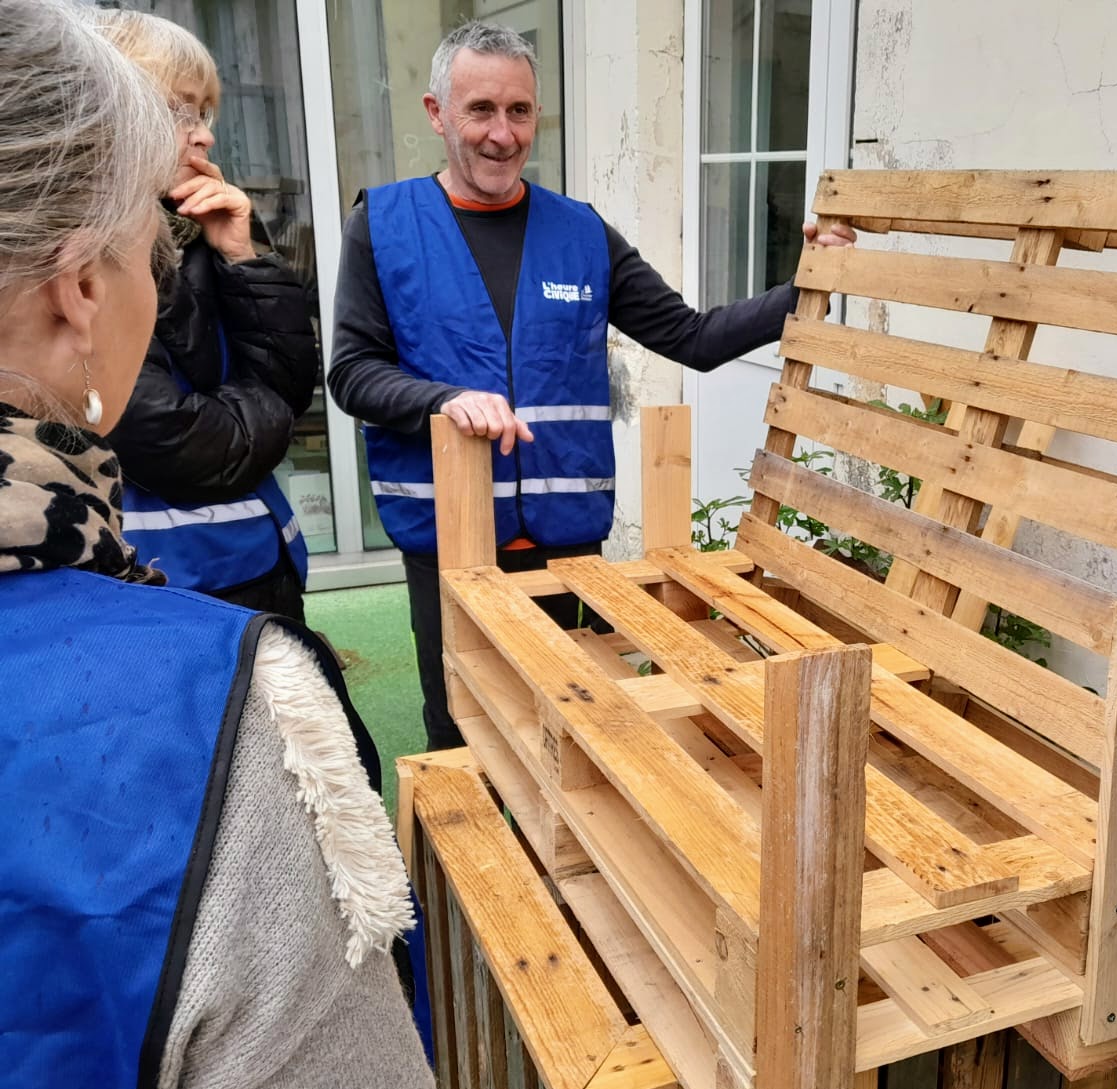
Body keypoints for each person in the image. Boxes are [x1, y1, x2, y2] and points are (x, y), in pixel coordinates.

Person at [0, 4, 482, 1089]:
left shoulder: (220, 249)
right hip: (174, 632)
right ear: (77, 290)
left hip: (222, 582)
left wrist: (245, 266)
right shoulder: (218, 720)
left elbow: (278, 392)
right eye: (135, 265)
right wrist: (254, 426)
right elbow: (217, 439)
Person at [329, 19, 855, 752]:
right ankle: (459, 871)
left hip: (565, 545)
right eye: (480, 110)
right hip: (449, 538)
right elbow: (352, 372)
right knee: (460, 728)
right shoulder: (381, 226)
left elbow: (692, 339)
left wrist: (804, 288)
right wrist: (442, 401)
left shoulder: (580, 232)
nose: (502, 134)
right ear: (436, 112)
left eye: (520, 112)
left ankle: (551, 872)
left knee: (564, 729)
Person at [90, 10, 317, 621]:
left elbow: (296, 383)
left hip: (261, 563)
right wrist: (269, 403)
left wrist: (242, 257)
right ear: (107, 116)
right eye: (177, 110)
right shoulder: (80, 255)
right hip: (161, 587)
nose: (204, 135)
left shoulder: (205, 228)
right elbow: (181, 446)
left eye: (204, 112)